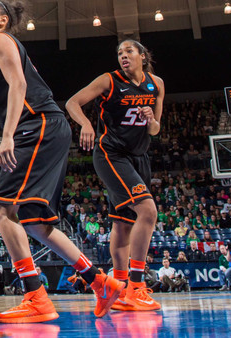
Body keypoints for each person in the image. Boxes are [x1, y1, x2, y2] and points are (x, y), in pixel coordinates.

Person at [0, 0, 123, 324]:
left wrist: (9, 134)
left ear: (2, 22)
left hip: (36, 125)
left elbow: (19, 85)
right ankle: (100, 281)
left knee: (1, 208)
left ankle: (36, 297)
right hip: (48, 127)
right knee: (35, 220)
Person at [66, 38, 164, 312]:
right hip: (111, 154)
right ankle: (136, 286)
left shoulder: (156, 84)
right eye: (119, 52)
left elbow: (155, 130)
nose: (123, 56)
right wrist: (85, 123)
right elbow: (73, 103)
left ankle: (119, 288)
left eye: (129, 51)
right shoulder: (109, 80)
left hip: (139, 157)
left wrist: (151, 120)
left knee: (123, 225)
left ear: (142, 55)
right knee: (148, 211)